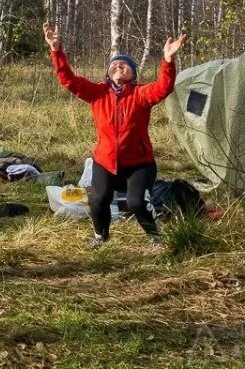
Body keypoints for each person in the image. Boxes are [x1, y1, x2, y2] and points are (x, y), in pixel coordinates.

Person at [43, 22, 187, 247]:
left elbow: (163, 87)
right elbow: (68, 80)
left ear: (133, 75)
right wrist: (56, 50)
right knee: (98, 199)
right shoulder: (97, 93)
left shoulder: (141, 94)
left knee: (136, 202)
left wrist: (168, 61)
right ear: (108, 73)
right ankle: (101, 236)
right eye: (115, 64)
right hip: (105, 162)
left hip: (139, 164)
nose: (119, 66)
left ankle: (155, 238)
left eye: (125, 65)